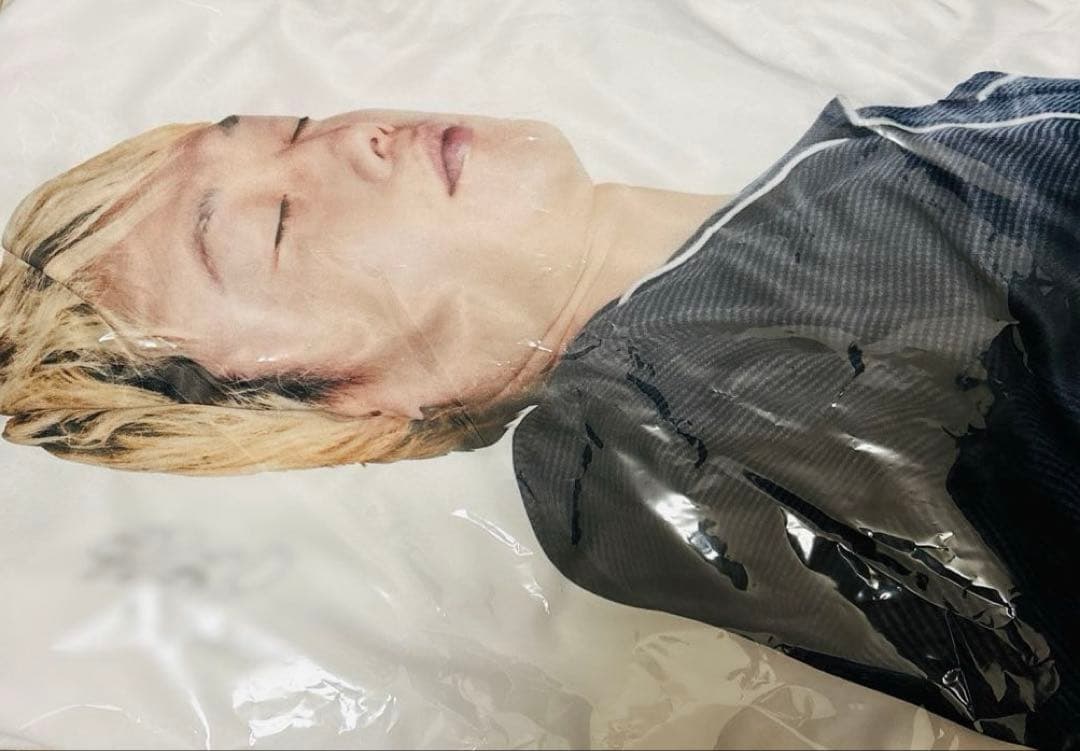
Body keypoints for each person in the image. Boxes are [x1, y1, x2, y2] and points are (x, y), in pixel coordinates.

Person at [1, 71, 1077, 747]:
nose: (350, 139)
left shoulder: (870, 182)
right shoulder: (648, 446)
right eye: (274, 224)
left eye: (294, 125)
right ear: (356, 405)